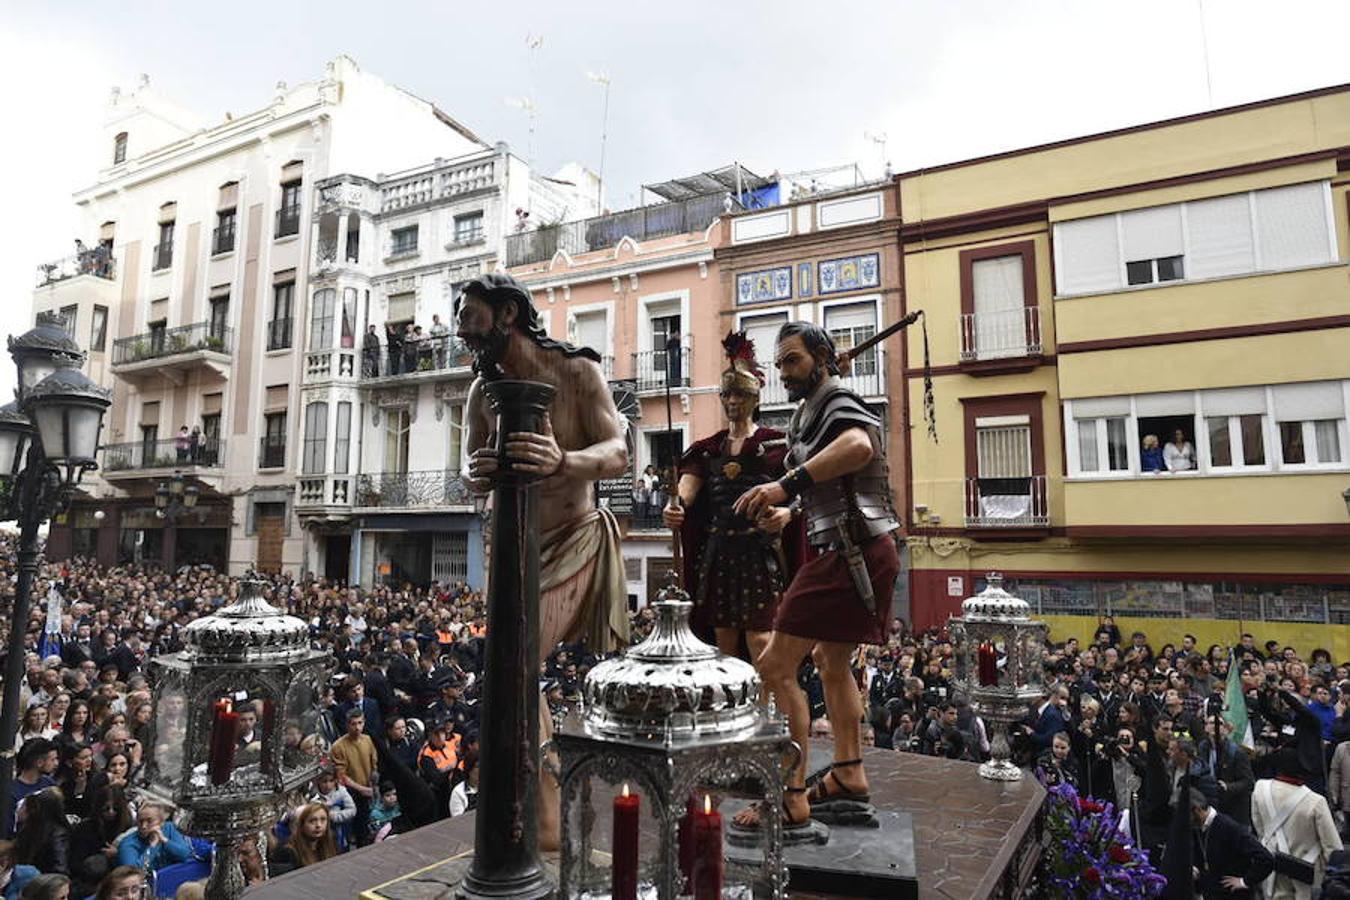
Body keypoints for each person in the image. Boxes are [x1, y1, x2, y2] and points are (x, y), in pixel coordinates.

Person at [459, 272, 630, 847]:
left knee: (516, 663)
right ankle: (538, 804)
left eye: (471, 316)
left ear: (507, 314)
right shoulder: (482, 390)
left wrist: (563, 461)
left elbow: (619, 452)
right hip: (511, 546)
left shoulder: (578, 372)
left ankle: (550, 817)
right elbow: (468, 467)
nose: (462, 330)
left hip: (574, 537)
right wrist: (477, 472)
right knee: (511, 672)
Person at [730, 321, 902, 841]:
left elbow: (858, 448)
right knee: (830, 661)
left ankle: (790, 797)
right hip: (853, 547)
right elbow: (832, 488)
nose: (784, 372)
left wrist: (784, 486)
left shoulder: (837, 399)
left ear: (822, 358)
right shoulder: (812, 409)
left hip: (851, 552)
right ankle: (849, 773)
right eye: (780, 363)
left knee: (774, 665)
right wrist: (790, 512)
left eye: (793, 360)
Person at [665, 331, 801, 654]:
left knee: (760, 640)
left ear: (755, 399)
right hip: (719, 553)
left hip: (759, 552)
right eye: (727, 395)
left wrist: (787, 513)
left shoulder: (777, 445)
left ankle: (766, 690)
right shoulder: (707, 449)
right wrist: (675, 507)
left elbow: (803, 491)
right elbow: (687, 490)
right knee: (722, 642)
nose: (733, 401)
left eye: (740, 395)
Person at [1253, 749, 1343, 899]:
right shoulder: (1316, 802)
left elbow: (1260, 828)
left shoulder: (1260, 789)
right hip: (1306, 870)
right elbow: (1332, 846)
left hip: (1272, 865)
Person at [1190, 788, 1273, 900]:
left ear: (1197, 810)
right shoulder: (1198, 828)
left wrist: (1245, 881)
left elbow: (1265, 858)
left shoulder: (1229, 827)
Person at [329, 708, 377, 846]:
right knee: (353, 830)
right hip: (350, 793)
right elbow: (341, 775)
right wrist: (361, 789)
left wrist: (373, 784)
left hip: (368, 789)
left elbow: (374, 764)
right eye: (353, 724)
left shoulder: (368, 740)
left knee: (366, 828)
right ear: (347, 725)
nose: (357, 727)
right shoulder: (338, 746)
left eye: (360, 723)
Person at [114, 803, 190, 873]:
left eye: (149, 821)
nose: (144, 826)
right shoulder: (127, 844)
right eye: (141, 821)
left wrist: (165, 841)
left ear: (162, 822)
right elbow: (134, 874)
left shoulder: (169, 828)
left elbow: (185, 854)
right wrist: (152, 846)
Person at [13, 791, 70, 876]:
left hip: (43, 880)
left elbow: (60, 869)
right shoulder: (26, 829)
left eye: (24, 806)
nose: (19, 810)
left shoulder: (58, 835)